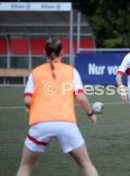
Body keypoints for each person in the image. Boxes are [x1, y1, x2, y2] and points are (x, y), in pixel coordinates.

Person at [16, 38, 99, 176]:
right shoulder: (71, 71)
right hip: (65, 123)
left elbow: (27, 99)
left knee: (25, 166)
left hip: (40, 123)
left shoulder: (36, 72)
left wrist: (30, 108)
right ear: (62, 52)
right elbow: (80, 97)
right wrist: (91, 114)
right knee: (85, 164)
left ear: (44, 53)